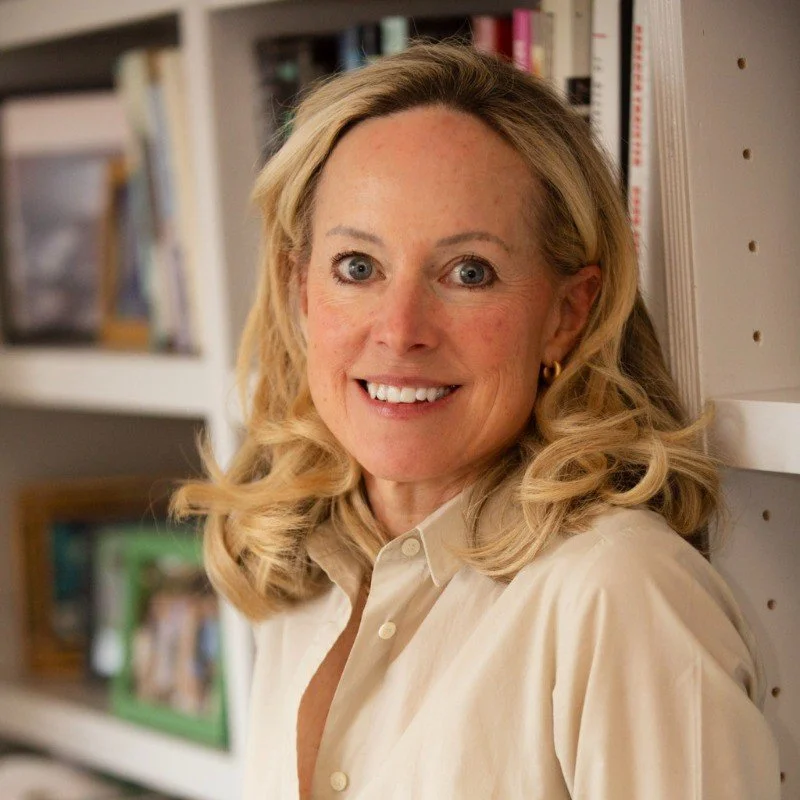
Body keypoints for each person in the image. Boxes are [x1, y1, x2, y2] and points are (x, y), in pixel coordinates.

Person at [172, 43, 780, 799]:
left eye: (468, 272)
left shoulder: (621, 594)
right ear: (302, 293)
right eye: (358, 267)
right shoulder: (301, 572)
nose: (400, 330)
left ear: (566, 313)